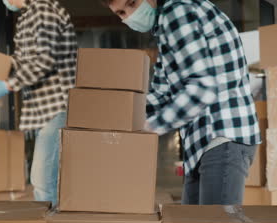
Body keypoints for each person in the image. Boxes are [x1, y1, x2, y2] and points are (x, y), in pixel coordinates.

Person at [103, 0, 261, 205]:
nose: (130, 15)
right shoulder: (167, 29)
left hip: (221, 136)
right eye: (121, 13)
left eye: (132, 3)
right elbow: (161, 94)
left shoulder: (177, 11)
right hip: (200, 144)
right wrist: (113, 115)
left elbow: (202, 87)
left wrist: (151, 128)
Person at [0, 0, 77, 207]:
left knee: (43, 182)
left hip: (58, 106)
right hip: (45, 110)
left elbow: (44, 60)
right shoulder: (28, 15)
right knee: (48, 181)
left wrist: (7, 85)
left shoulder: (42, 9)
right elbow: (26, 58)